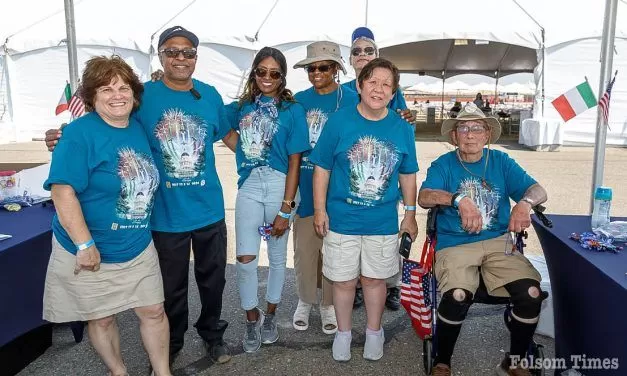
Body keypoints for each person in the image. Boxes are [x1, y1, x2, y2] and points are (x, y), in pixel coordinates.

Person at [45, 26, 235, 367]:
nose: (180, 58)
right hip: (163, 215)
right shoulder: (142, 98)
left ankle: (212, 336)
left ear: (196, 56)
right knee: (169, 291)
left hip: (209, 210)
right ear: (160, 56)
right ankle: (171, 345)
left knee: (213, 281)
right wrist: (62, 136)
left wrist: (267, 165)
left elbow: (228, 135)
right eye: (172, 51)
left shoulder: (209, 95)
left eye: (187, 52)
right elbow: (104, 123)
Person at [43, 55, 170, 376]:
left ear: (134, 94)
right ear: (91, 97)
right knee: (101, 317)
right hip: (91, 247)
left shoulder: (137, 128)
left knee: (154, 311)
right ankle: (118, 371)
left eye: (124, 87)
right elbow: (62, 192)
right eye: (106, 89)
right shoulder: (78, 134)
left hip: (137, 243)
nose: (117, 95)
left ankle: (163, 372)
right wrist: (85, 245)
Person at [417, 103, 548, 376]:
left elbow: (538, 190)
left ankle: (514, 362)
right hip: (455, 245)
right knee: (457, 295)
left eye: (477, 128)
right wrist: (457, 199)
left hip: (497, 243)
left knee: (531, 293)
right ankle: (442, 361)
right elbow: (425, 196)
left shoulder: (500, 161)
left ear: (487, 134)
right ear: (454, 136)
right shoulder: (444, 164)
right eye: (463, 128)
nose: (470, 134)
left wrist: (524, 203)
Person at [309, 58, 419, 362]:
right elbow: (322, 169)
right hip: (341, 219)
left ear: (394, 92)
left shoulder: (401, 127)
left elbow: (408, 173)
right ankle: (344, 333)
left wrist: (410, 214)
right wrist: (320, 210)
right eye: (372, 82)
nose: (378, 89)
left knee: (374, 280)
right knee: (343, 281)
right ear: (359, 86)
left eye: (386, 84)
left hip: (382, 222)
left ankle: (374, 331)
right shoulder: (339, 121)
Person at [224, 47, 310, 353]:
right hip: (249, 185)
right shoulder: (242, 107)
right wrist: (245, 151)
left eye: (274, 73)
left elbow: (296, 160)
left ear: (283, 77)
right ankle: (252, 318)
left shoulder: (293, 110)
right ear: (254, 73)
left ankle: (271, 315)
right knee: (245, 259)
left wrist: (286, 209)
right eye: (261, 71)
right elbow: (220, 125)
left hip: (280, 185)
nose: (267, 78)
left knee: (276, 258)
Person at [344, 26, 416, 310]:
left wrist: (409, 118)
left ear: (377, 54)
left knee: (387, 230)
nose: (362, 55)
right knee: (354, 232)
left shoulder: (389, 88)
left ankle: (393, 285)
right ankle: (360, 285)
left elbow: (404, 123)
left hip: (385, 171)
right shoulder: (344, 92)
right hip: (354, 171)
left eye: (369, 50)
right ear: (350, 58)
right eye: (357, 51)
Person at [292, 41, 359, 335]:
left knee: (334, 251)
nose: (316, 72)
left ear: (336, 70)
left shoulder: (352, 99)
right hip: (305, 184)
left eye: (323, 67)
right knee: (305, 250)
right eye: (311, 67)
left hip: (340, 189)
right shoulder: (297, 100)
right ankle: (305, 300)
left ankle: (328, 304)